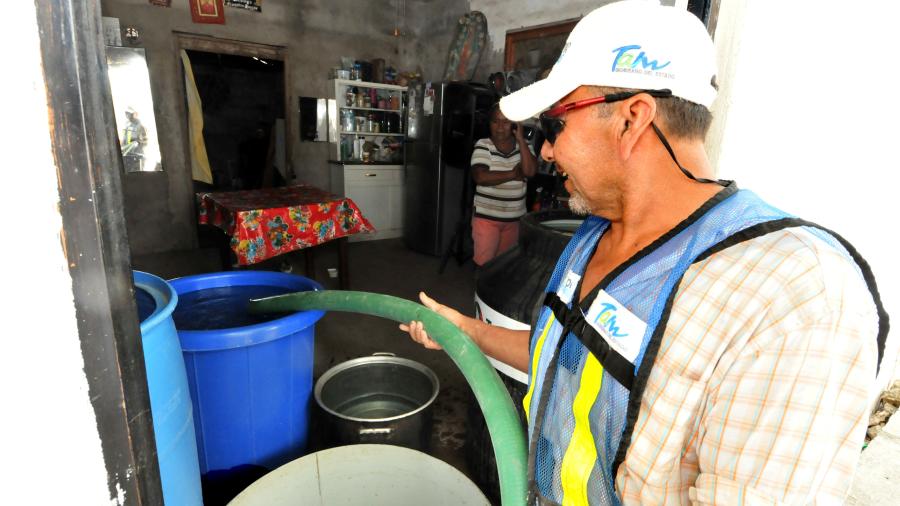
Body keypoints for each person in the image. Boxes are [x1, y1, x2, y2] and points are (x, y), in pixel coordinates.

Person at [401, 1, 888, 504]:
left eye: (554, 127)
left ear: (633, 119)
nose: (546, 152)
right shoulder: (591, 236)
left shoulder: (792, 298)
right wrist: (466, 330)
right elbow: (561, 352)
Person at [470, 104, 537, 266]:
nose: (500, 127)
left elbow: (530, 172)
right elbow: (480, 177)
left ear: (515, 125)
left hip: (514, 219)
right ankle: (480, 293)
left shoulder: (525, 147)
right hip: (487, 219)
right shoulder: (483, 145)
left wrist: (521, 140)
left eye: (506, 122)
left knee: (504, 267)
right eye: (495, 122)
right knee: (484, 266)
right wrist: (512, 174)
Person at [121, 106, 148, 172]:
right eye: (126, 113)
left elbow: (145, 142)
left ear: (134, 114)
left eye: (129, 113)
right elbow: (124, 141)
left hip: (138, 156)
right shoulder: (126, 125)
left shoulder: (141, 126)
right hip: (127, 156)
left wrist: (137, 143)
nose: (127, 115)